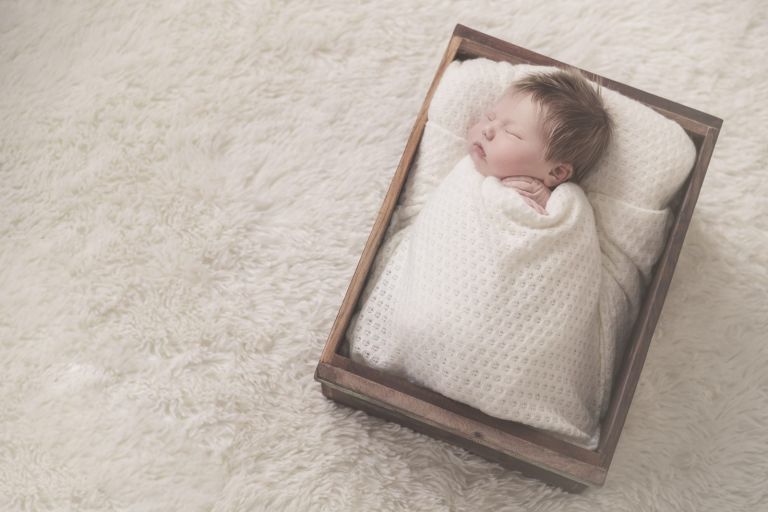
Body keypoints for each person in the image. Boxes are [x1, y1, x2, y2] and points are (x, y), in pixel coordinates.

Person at [467, 68, 613, 214]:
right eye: (490, 117)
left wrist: (546, 204)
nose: (487, 129)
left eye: (511, 133)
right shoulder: (467, 163)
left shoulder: (557, 208)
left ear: (557, 172)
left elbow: (574, 224)